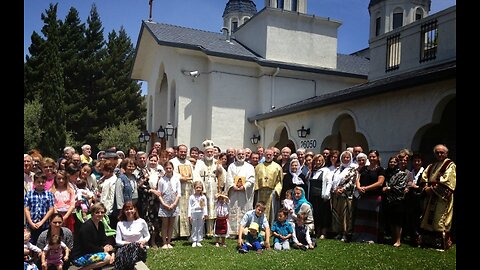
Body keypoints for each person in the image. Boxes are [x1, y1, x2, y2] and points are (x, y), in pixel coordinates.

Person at [418, 144, 456, 250]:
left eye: (442, 152)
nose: (439, 154)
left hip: (441, 199)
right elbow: (424, 177)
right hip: (430, 198)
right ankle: (428, 243)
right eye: (437, 152)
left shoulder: (450, 165)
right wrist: (425, 187)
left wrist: (432, 189)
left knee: (439, 219)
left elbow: (448, 181)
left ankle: (441, 244)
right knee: (427, 220)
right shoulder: (431, 165)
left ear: (446, 153)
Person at [194, 140, 226, 237]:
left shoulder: (217, 162)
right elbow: (196, 175)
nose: (210, 153)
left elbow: (223, 176)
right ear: (204, 153)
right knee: (203, 208)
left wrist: (220, 171)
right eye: (208, 152)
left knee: (213, 209)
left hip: (214, 189)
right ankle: (202, 231)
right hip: (204, 189)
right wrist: (201, 189)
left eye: (211, 152)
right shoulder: (200, 163)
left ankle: (211, 230)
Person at [71, 202, 115, 270]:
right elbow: (87, 246)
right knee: (107, 258)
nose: (100, 214)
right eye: (97, 212)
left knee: (109, 256)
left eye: (102, 212)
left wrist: (110, 249)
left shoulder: (100, 225)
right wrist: (103, 250)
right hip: (80, 256)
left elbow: (104, 239)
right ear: (92, 213)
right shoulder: (86, 226)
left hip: (93, 253)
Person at [225, 148, 256, 237]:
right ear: (236, 155)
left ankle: (244, 231)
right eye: (239, 154)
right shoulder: (231, 166)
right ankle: (233, 231)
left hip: (244, 193)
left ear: (245, 155)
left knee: (244, 210)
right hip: (234, 193)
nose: (241, 156)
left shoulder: (249, 167)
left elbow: (252, 179)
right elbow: (229, 178)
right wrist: (232, 185)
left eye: (242, 154)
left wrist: (245, 186)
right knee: (233, 210)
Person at [331, 150, 358, 242]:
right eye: (344, 157)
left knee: (346, 215)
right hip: (336, 195)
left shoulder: (353, 169)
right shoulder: (338, 169)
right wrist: (335, 190)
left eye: (348, 158)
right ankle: (338, 231)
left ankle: (345, 233)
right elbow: (333, 181)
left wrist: (343, 189)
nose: (346, 159)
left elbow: (352, 181)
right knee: (337, 214)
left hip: (346, 195)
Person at [115, 201, 149, 270]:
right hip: (125, 249)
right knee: (132, 247)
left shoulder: (141, 222)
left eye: (131, 209)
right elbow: (118, 241)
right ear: (124, 211)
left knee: (135, 248)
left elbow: (147, 235)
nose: (129, 211)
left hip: (140, 248)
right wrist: (131, 244)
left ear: (135, 210)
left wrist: (143, 241)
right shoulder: (120, 223)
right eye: (127, 209)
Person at [254, 148, 283, 227]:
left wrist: (277, 191)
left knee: (271, 210)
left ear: (273, 155)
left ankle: (270, 226)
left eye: (270, 154)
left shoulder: (277, 167)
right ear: (264, 155)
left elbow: (280, 181)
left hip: (271, 192)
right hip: (261, 192)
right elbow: (255, 179)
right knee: (259, 209)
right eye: (267, 154)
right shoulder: (258, 167)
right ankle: (258, 226)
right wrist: (256, 190)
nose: (268, 156)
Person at [24, 172, 55, 245]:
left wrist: (42, 222)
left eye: (43, 182)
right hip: (31, 225)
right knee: (30, 244)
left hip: (44, 225)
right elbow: (26, 209)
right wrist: (31, 222)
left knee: (42, 243)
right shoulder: (29, 194)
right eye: (38, 182)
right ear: (34, 182)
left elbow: (51, 209)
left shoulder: (49, 194)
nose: (41, 184)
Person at [156, 161, 181, 249]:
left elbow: (178, 193)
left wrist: (174, 204)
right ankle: (164, 242)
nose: (169, 170)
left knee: (171, 224)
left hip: (174, 204)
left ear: (173, 169)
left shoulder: (176, 179)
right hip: (164, 204)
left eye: (170, 168)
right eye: (167, 168)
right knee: (165, 224)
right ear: (164, 169)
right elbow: (159, 194)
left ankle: (169, 241)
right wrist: (164, 204)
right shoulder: (162, 180)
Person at [188, 180, 208, 247]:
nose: (198, 189)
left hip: (201, 213)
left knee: (200, 227)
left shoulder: (203, 197)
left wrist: (205, 214)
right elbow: (189, 206)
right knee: (194, 227)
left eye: (200, 188)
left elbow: (205, 206)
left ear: (202, 188)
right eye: (197, 188)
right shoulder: (191, 197)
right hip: (194, 213)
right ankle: (194, 240)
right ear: (194, 188)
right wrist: (189, 215)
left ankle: (199, 240)